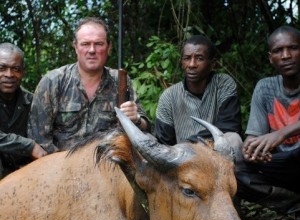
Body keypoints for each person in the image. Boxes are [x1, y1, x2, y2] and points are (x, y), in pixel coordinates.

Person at [28, 17, 151, 154]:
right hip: (60, 168)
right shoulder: (52, 82)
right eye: (85, 44)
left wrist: (137, 119)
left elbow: (146, 129)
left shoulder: (121, 81)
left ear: (109, 47)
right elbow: (39, 141)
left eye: (99, 44)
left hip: (108, 166)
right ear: (75, 47)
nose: (92, 50)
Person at [235, 25, 300, 220]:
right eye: (278, 51)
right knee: (235, 170)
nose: (286, 55)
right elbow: (254, 136)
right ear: (270, 57)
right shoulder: (265, 88)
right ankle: (295, 206)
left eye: (293, 48)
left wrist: (281, 134)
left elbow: (275, 136)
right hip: (282, 163)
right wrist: (253, 149)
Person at [154, 34, 243, 161]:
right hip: (183, 161)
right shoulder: (169, 96)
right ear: (182, 63)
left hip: (218, 156)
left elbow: (229, 126)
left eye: (199, 58)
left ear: (212, 63)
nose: (192, 64)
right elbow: (164, 141)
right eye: (187, 58)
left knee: (234, 139)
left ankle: (236, 181)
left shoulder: (223, 83)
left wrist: (188, 145)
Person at [0, 43, 47, 179]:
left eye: (16, 69)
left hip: (23, 176)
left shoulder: (32, 101)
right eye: (2, 68)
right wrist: (29, 146)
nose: (9, 75)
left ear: (23, 72)